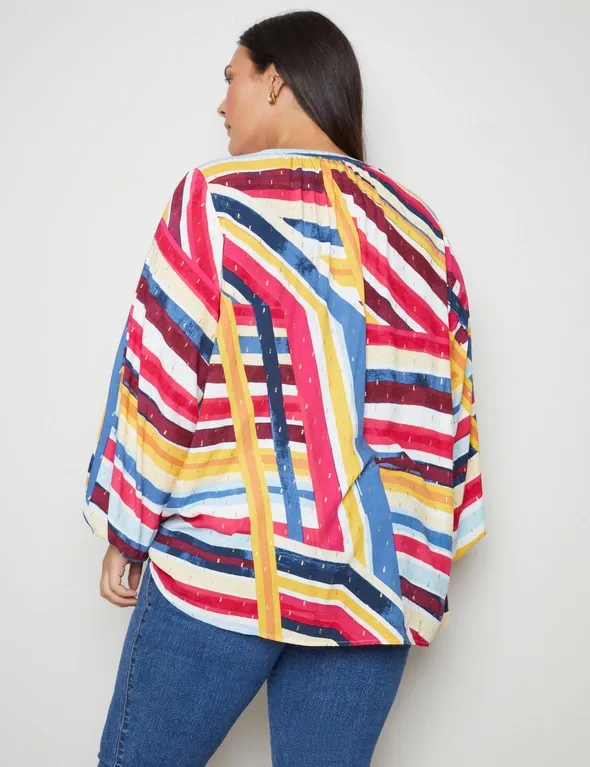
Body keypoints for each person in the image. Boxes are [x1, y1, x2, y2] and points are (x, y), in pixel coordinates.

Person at [82, 10, 486, 767]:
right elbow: (452, 416)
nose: (221, 102)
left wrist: (125, 528)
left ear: (275, 80)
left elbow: (160, 378)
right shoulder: (423, 232)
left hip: (228, 564)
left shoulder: (214, 201)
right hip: (375, 585)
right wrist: (424, 559)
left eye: (231, 78)